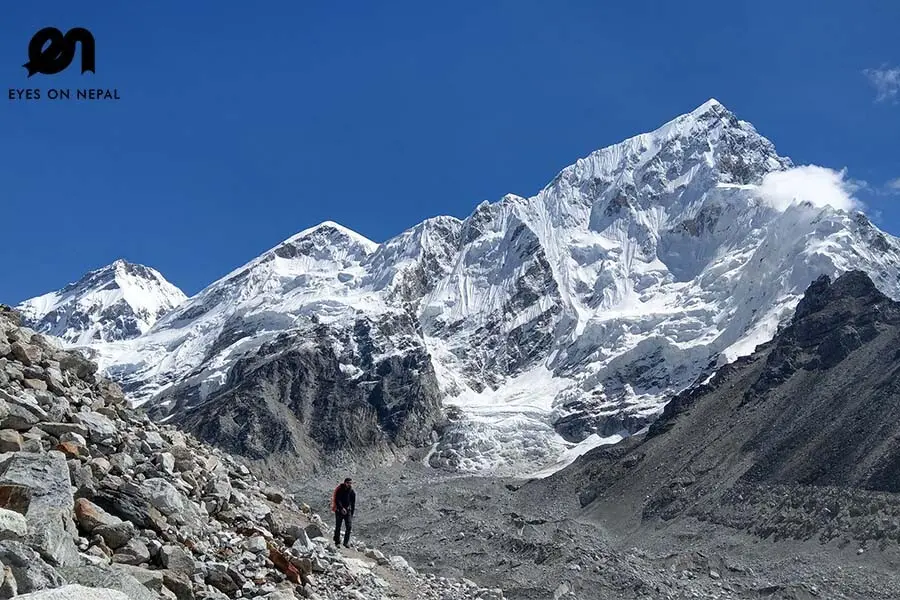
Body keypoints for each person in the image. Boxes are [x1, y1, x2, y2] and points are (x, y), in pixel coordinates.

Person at [331, 477, 355, 547]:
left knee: (349, 527)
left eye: (350, 483)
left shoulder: (352, 492)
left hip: (348, 511)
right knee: (338, 526)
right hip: (339, 510)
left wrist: (351, 513)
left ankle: (346, 542)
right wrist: (341, 508)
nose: (349, 484)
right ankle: (337, 542)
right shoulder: (340, 489)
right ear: (345, 483)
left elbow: (353, 503)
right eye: (348, 483)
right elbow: (337, 499)